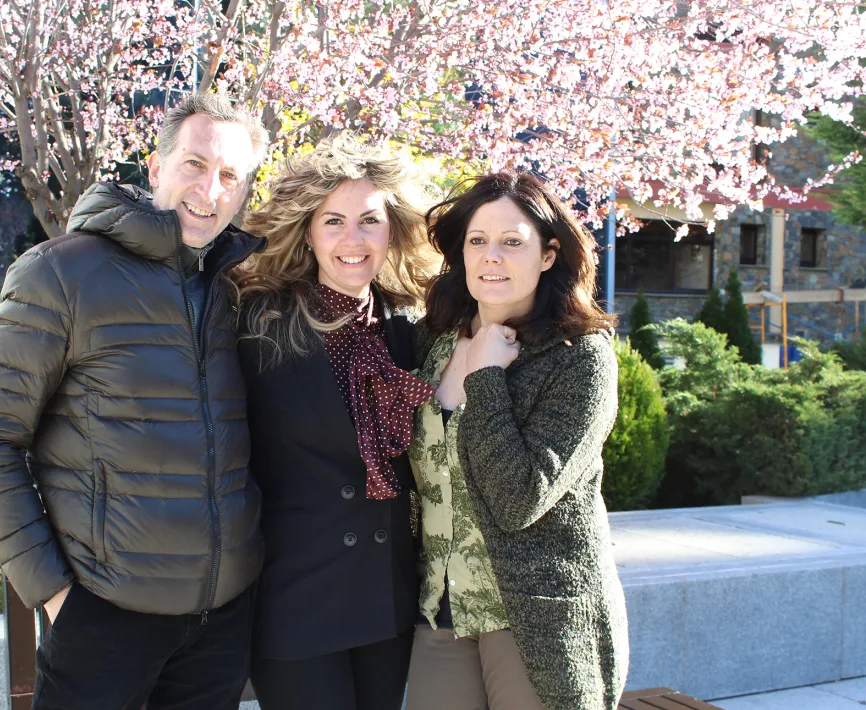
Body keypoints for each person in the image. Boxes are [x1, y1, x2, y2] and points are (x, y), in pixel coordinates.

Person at [0, 93, 270, 710]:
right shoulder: (62, 274)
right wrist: (53, 595)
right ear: (155, 169)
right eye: (195, 164)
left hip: (219, 622)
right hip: (103, 619)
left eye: (231, 176)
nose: (211, 188)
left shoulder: (233, 286)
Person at [405, 172, 629, 710]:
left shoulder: (580, 357)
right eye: (477, 241)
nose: (491, 257)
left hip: (533, 617)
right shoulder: (432, 342)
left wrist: (486, 380)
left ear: (549, 255)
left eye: (512, 242)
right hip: (441, 609)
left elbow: (520, 497)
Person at [235, 137, 437, 710]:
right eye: (334, 222)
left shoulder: (407, 328)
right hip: (297, 599)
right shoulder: (260, 323)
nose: (354, 240)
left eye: (370, 221)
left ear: (391, 230)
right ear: (307, 231)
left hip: (385, 596)